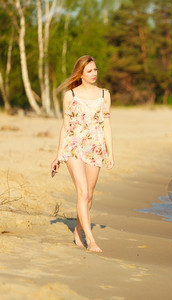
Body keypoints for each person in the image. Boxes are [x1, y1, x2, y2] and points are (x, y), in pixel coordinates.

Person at [51, 55, 114, 253]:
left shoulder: (105, 94)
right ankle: (91, 240)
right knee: (83, 192)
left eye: (95, 70)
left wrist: (110, 152)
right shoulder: (70, 95)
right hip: (74, 146)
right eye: (89, 71)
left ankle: (78, 231)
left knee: (89, 196)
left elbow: (107, 126)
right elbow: (65, 127)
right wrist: (58, 155)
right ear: (80, 73)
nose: (94, 74)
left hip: (95, 147)